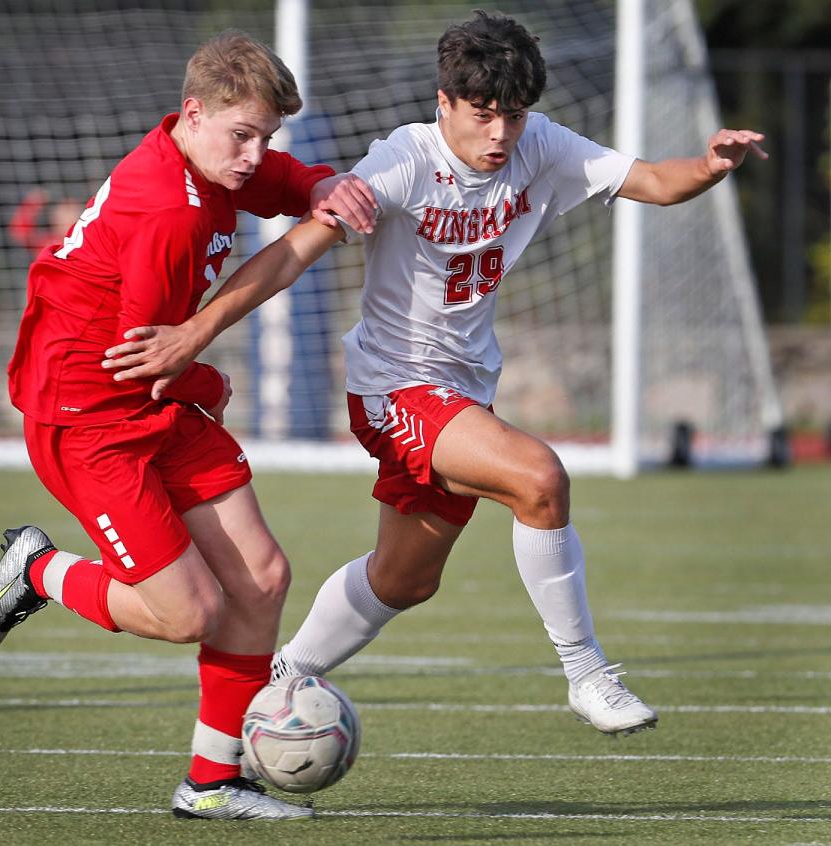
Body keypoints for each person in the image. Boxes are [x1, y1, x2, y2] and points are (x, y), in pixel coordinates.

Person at [101, 12, 768, 740]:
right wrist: (194, 333)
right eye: (483, 115)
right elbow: (293, 252)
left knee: (404, 580)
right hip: (393, 388)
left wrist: (709, 166)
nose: (500, 137)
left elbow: (652, 182)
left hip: (462, 391)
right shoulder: (401, 162)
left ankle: (284, 676)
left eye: (513, 117)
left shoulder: (540, 144)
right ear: (444, 101)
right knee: (539, 478)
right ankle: (587, 674)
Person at [0, 30, 376, 821]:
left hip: (146, 395)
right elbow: (150, 355)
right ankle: (39, 570)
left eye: (266, 136)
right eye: (243, 135)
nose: (256, 155)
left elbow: (285, 182)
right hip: (88, 414)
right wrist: (210, 378)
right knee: (189, 613)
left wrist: (327, 183)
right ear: (193, 114)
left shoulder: (207, 161)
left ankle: (213, 784)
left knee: (261, 579)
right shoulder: (169, 211)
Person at [8, 189, 82, 255]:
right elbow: (19, 233)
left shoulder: (86, 242)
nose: (69, 217)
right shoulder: (46, 243)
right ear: (53, 217)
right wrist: (33, 203)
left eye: (74, 211)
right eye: (65, 212)